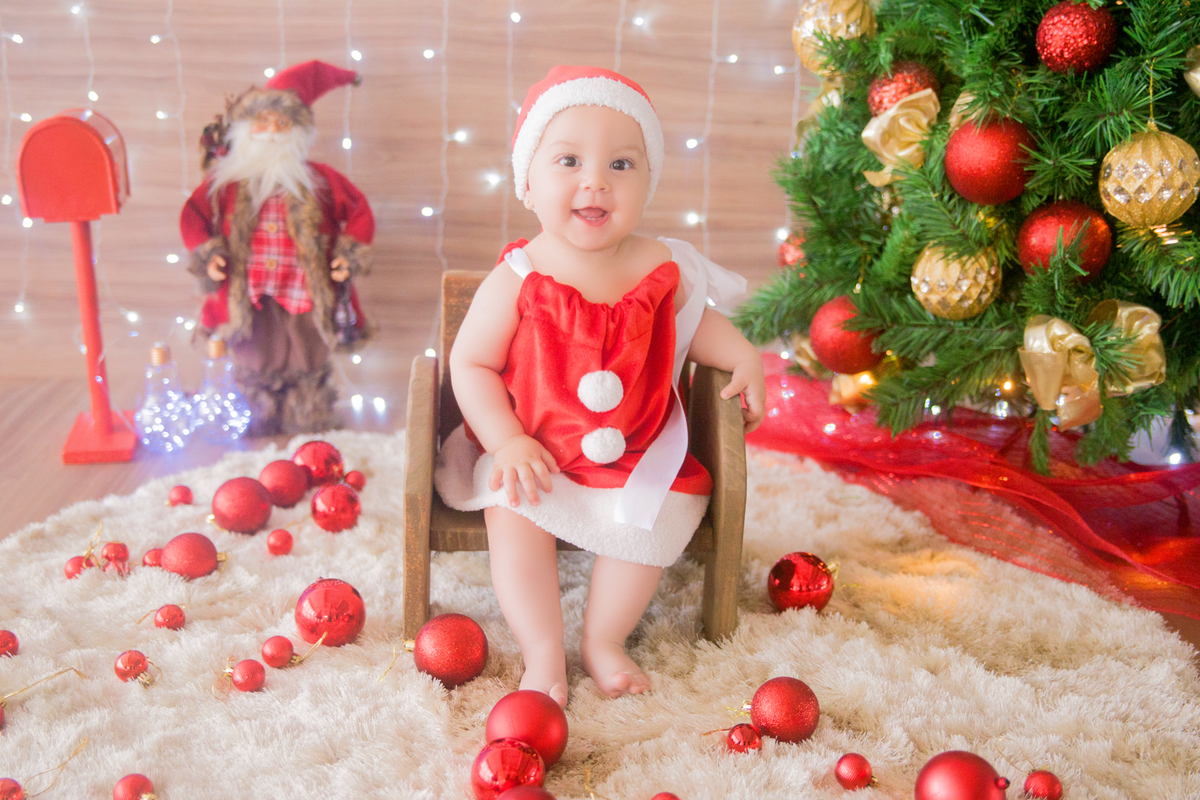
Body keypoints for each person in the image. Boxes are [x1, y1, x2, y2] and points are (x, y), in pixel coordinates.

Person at [435, 66, 765, 708]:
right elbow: (469, 365)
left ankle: (604, 638)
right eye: (568, 160)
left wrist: (744, 355)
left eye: (621, 164)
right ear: (528, 184)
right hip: (535, 451)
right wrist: (504, 442)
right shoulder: (518, 276)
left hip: (635, 455)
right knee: (515, 519)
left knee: (650, 525)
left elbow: (698, 327)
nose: (595, 181)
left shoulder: (658, 266)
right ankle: (542, 653)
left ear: (647, 182)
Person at [180, 60, 374, 435]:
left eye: (282, 125)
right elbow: (192, 215)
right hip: (249, 288)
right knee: (255, 349)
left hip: (303, 285)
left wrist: (347, 256)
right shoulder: (227, 184)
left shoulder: (319, 180)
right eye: (262, 124)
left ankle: (309, 413)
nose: (271, 133)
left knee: (307, 347)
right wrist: (209, 254)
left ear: (298, 133)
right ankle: (258, 411)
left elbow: (359, 210)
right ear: (244, 130)